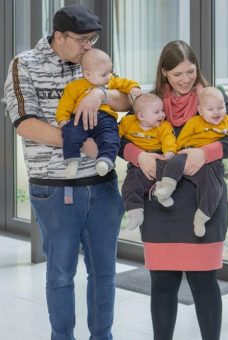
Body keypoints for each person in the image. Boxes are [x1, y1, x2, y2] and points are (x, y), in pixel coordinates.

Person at [4, 4, 129, 340]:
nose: (88, 46)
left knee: (104, 273)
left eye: (93, 39)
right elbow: (26, 124)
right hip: (55, 188)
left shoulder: (92, 61)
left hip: (102, 185)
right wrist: (80, 144)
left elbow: (130, 98)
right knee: (60, 274)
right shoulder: (24, 65)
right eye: (82, 40)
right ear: (58, 37)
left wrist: (99, 93)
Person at [119, 40, 228, 340]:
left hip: (204, 202)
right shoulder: (150, 103)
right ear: (164, 73)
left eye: (190, 71)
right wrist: (140, 156)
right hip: (160, 206)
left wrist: (206, 152)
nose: (186, 79)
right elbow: (120, 138)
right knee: (162, 282)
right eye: (177, 74)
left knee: (204, 281)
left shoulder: (214, 97)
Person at [153, 86, 228, 237]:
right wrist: (178, 152)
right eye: (211, 109)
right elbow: (182, 139)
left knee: (213, 189)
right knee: (175, 161)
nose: (217, 112)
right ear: (201, 111)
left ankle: (201, 217)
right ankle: (166, 188)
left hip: (211, 161)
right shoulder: (194, 122)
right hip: (190, 153)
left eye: (220, 108)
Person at [56, 48, 141, 178]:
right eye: (103, 75)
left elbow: (125, 83)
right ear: (87, 74)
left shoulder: (110, 81)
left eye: (110, 72)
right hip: (80, 118)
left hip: (105, 119)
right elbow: (65, 104)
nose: (108, 77)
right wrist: (62, 120)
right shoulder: (74, 86)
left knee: (112, 138)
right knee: (69, 133)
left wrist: (134, 87)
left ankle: (105, 161)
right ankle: (72, 161)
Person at [118, 93, 177, 230]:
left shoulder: (164, 126)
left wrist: (169, 152)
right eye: (156, 112)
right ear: (141, 116)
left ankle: (163, 194)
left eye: (162, 110)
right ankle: (135, 212)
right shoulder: (128, 122)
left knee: (167, 172)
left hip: (159, 155)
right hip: (138, 160)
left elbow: (169, 139)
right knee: (129, 186)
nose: (162, 115)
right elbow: (116, 135)